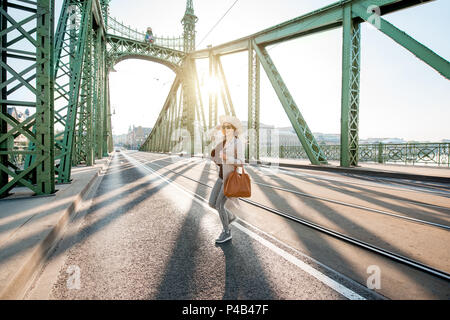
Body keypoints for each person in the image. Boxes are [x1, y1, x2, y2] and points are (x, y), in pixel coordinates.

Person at [209, 115, 245, 244]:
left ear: (234, 128)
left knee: (219, 205)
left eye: (229, 127)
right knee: (212, 203)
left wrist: (226, 158)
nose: (227, 129)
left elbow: (241, 162)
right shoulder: (223, 141)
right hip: (220, 177)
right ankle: (230, 216)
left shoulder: (237, 143)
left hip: (228, 179)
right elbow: (210, 137)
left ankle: (227, 231)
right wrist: (216, 158)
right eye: (225, 127)